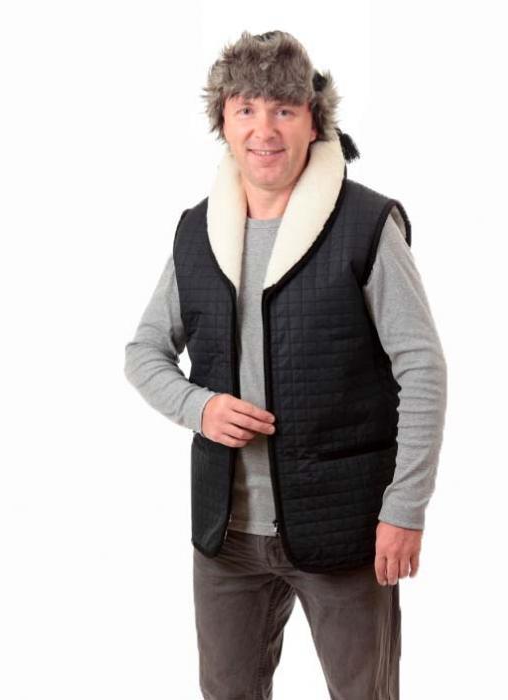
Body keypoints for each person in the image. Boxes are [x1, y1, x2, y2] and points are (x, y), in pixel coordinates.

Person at [124, 29, 447, 700]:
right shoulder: (197, 231)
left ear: (313, 121)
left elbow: (422, 368)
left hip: (346, 529)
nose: (263, 129)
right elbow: (144, 351)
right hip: (226, 536)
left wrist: (405, 508)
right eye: (245, 108)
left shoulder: (365, 225)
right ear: (223, 121)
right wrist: (200, 408)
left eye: (283, 109)